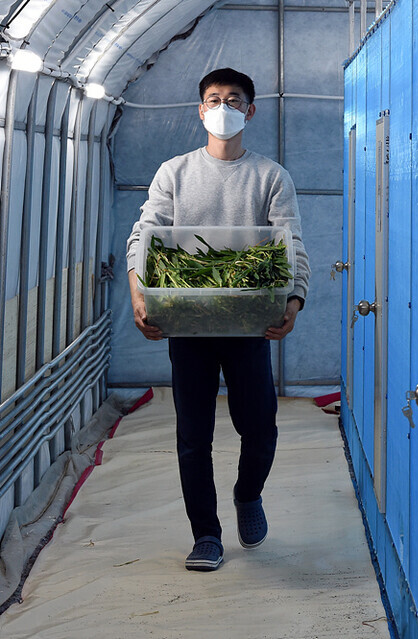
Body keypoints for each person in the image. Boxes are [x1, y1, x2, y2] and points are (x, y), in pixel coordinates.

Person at [125, 68, 311, 572]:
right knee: (193, 436)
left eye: (233, 100)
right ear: (200, 110)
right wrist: (140, 297)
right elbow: (144, 237)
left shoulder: (270, 176)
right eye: (213, 99)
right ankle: (205, 535)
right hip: (187, 328)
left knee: (261, 429)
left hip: (250, 325)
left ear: (250, 110)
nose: (223, 107)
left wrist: (292, 302)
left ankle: (247, 494)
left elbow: (290, 245)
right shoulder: (175, 173)